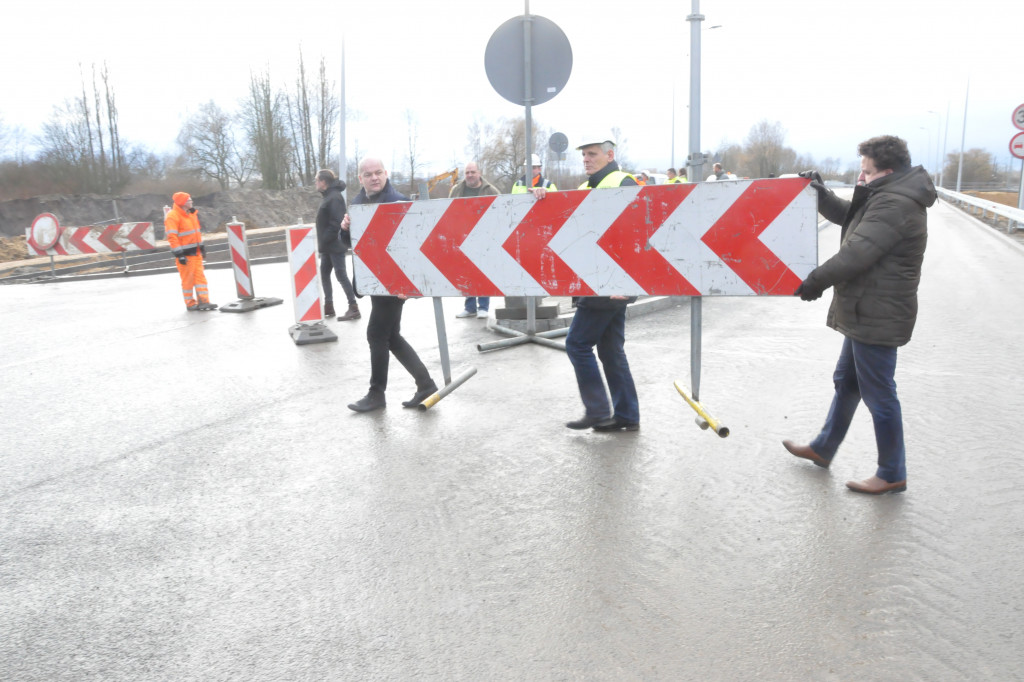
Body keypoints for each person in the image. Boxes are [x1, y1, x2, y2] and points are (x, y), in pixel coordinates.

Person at [784, 135, 936, 495]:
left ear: (887, 171)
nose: (861, 176)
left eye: (866, 171)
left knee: (879, 394)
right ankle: (823, 447)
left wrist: (813, 282)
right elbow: (850, 218)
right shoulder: (887, 195)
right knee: (847, 381)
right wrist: (819, 192)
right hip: (866, 308)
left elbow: (857, 253)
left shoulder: (896, 205)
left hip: (878, 313)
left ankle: (891, 472)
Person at [530, 134, 640, 432]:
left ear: (609, 154)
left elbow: (636, 237)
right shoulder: (582, 188)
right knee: (610, 352)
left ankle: (598, 410)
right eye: (584, 155)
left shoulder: (623, 182)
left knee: (577, 344)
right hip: (593, 281)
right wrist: (545, 199)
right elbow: (565, 224)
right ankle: (627, 415)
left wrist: (629, 286)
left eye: (592, 154)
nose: (586, 159)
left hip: (607, 283)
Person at [341, 157, 439, 413]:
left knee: (376, 334)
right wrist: (345, 228)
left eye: (378, 173)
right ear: (360, 178)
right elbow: (349, 243)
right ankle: (426, 384)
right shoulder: (358, 205)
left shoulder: (399, 203)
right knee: (391, 336)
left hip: (393, 283)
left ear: (386, 174)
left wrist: (410, 283)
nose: (374, 177)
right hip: (372, 281)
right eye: (368, 174)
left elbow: (415, 246)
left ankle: (376, 394)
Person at [449, 161, 500, 319]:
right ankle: (469, 307)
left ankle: (483, 307)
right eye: (467, 173)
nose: (470, 175)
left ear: (479, 173)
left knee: (483, 272)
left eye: (473, 172)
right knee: (467, 273)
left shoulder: (490, 190)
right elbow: (448, 211)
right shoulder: (457, 190)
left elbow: (500, 211)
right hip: (462, 238)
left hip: (484, 238)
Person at [315, 169, 359, 321]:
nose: (315, 183)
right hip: (328, 246)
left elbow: (336, 223)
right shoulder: (329, 196)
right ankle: (329, 306)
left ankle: (353, 307)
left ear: (324, 182)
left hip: (335, 245)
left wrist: (325, 238)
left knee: (341, 275)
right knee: (325, 274)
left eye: (317, 180)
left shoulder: (334, 198)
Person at [165, 192, 216, 311]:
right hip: (186, 255)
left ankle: (204, 301)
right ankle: (190, 303)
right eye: (189, 200)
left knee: (200, 278)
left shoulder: (191, 214)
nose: (191, 202)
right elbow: (172, 237)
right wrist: (179, 254)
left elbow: (196, 233)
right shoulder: (173, 216)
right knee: (187, 280)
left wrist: (201, 247)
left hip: (196, 253)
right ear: (182, 203)